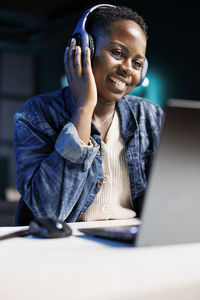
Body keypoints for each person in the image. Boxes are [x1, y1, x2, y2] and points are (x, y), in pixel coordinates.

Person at [14, 4, 164, 225]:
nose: (127, 69)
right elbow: (50, 212)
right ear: (83, 48)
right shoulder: (37, 114)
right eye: (117, 53)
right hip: (65, 246)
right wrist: (84, 108)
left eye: (137, 63)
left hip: (132, 243)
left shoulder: (149, 115)